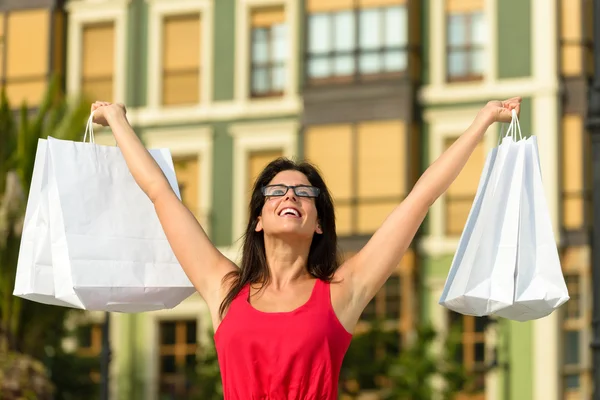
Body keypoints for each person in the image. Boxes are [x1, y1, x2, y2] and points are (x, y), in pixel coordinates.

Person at [90, 96, 522, 399]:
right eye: (276, 192)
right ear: (258, 219)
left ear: (319, 225)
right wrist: (119, 121)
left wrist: (481, 123)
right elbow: (160, 195)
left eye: (304, 193)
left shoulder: (342, 290)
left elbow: (420, 199)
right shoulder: (224, 289)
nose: (290, 197)